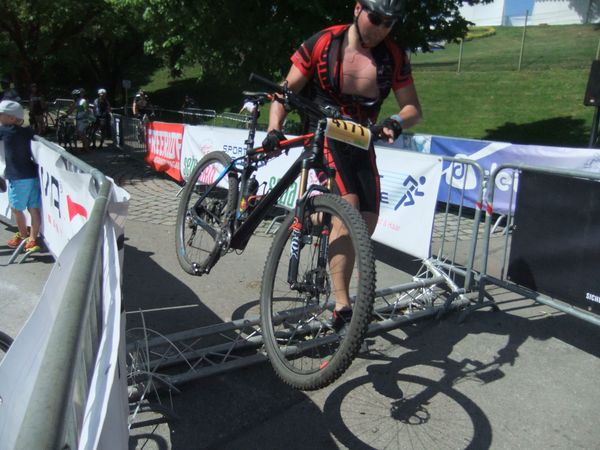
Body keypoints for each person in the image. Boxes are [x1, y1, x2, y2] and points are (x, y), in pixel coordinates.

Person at [265, 0, 422, 330]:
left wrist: (395, 120)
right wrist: (273, 129)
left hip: (360, 138)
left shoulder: (392, 57)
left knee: (366, 220)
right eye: (376, 18)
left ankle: (317, 215)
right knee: (347, 207)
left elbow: (412, 108)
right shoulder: (324, 43)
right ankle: (342, 304)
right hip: (321, 129)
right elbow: (285, 89)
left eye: (389, 23)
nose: (381, 28)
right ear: (357, 9)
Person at [0, 100, 42, 253]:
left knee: (16, 209)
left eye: (1, 115)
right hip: (32, 174)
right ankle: (32, 238)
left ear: (11, 118)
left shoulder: (4, 130)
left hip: (17, 177)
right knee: (33, 208)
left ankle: (23, 235)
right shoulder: (27, 131)